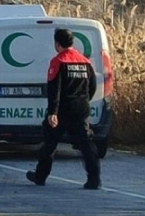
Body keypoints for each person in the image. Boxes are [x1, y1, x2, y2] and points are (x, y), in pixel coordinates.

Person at [26, 28, 101, 190]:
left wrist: (53, 112)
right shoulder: (85, 61)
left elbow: (55, 89)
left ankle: (40, 176)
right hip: (81, 108)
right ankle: (94, 179)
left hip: (62, 110)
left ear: (57, 43)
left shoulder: (58, 61)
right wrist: (83, 100)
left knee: (50, 144)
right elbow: (93, 86)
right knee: (86, 145)